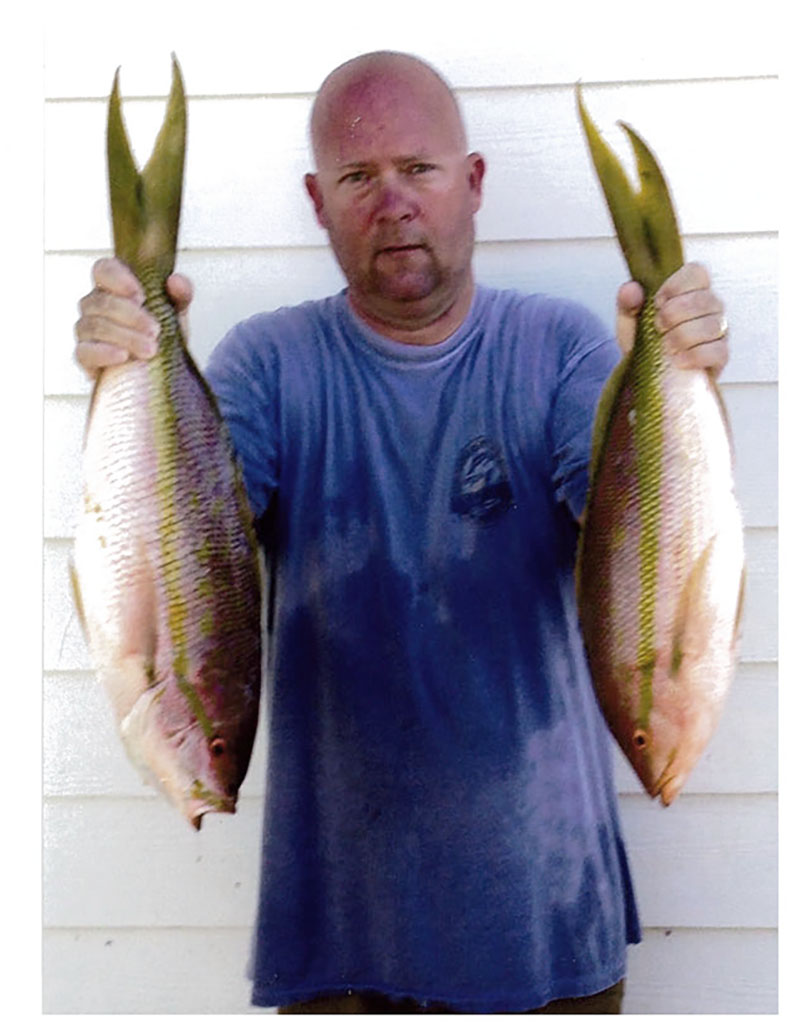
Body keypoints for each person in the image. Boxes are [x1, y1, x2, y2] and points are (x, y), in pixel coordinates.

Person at [74, 51, 730, 1014]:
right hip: (341, 929)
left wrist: (667, 385)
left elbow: (636, 545)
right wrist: (124, 365)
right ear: (316, 200)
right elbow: (187, 550)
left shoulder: (562, 348)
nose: (392, 202)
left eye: (418, 169)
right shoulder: (265, 363)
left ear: (471, 184)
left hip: (546, 917)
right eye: (356, 176)